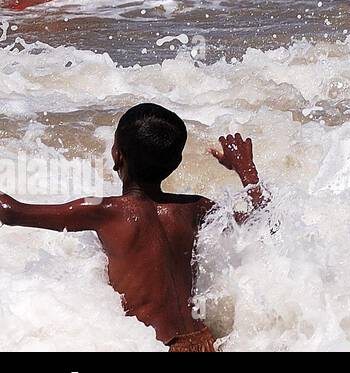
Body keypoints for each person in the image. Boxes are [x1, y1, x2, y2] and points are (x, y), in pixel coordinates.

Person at [0, 103, 268, 351]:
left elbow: (10, 212)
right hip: (205, 342)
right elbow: (261, 223)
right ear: (175, 164)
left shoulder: (103, 210)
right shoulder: (194, 208)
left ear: (117, 155)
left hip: (160, 347)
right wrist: (246, 170)